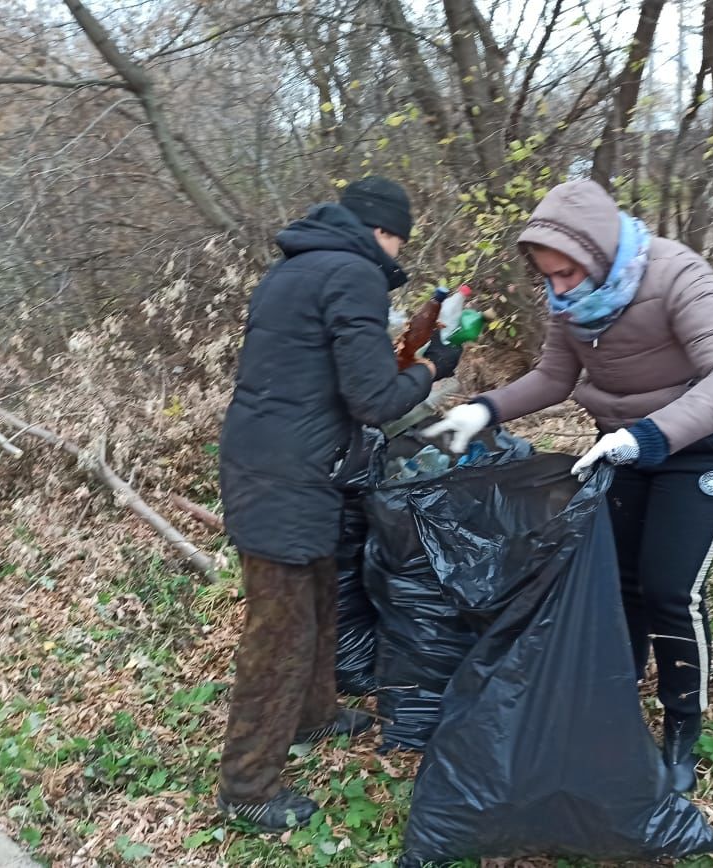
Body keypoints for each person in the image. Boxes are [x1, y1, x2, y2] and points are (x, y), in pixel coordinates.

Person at [426, 179, 713, 793]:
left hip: (706, 442)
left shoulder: (677, 275)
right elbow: (555, 376)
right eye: (548, 277)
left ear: (600, 255)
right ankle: (617, 698)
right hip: (625, 444)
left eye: (567, 275)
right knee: (624, 578)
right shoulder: (571, 308)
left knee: (669, 588)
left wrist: (652, 436)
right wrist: (485, 410)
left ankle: (683, 724)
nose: (558, 290)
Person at [216, 177, 462, 831]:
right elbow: (376, 399)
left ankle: (313, 716)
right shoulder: (352, 274)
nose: (394, 259)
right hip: (284, 473)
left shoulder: (294, 268)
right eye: (398, 244)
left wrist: (407, 358)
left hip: (275, 461)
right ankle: (246, 786)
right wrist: (434, 369)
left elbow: (328, 373)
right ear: (383, 233)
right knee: (280, 633)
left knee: (320, 595)